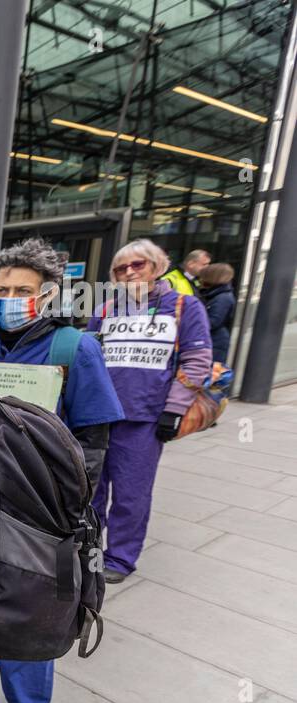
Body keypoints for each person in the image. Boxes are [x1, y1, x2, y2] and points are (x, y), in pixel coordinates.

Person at [0, 237, 123, 703]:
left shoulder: (75, 349)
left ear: (50, 295)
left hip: (39, 509)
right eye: (0, 289)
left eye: (21, 290)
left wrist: (70, 508)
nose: (7, 298)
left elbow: (94, 440)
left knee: (28, 606)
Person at [87, 239, 212, 584]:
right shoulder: (105, 310)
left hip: (144, 418)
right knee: (92, 491)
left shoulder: (185, 307)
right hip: (98, 415)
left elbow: (197, 359)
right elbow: (89, 356)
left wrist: (174, 409)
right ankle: (90, 551)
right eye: (120, 268)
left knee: (131, 494)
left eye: (137, 265)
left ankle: (121, 558)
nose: (129, 272)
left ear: (158, 267)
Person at [197, 262, 237, 365]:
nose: (200, 279)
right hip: (211, 340)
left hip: (215, 342)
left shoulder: (222, 298)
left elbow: (213, 322)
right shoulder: (213, 294)